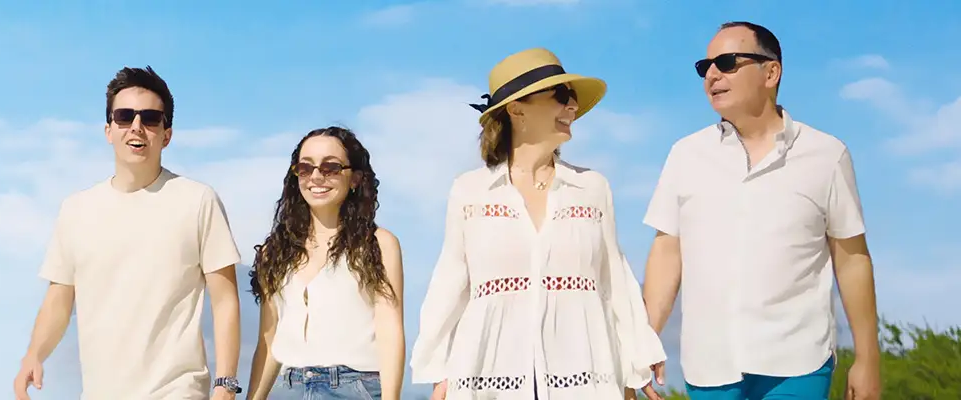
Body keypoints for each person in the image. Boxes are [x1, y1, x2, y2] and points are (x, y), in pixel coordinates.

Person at [640, 21, 882, 400]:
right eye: (705, 68)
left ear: (771, 72)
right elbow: (667, 250)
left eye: (727, 62)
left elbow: (852, 259)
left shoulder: (827, 154)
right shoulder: (685, 155)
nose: (712, 75)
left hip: (798, 365)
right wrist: (645, 339)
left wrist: (868, 358)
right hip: (709, 368)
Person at [410, 48, 667, 400]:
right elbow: (450, 283)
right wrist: (438, 371)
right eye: (561, 95)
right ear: (517, 109)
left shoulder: (593, 188)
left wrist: (638, 361)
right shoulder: (469, 192)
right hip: (488, 378)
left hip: (584, 381)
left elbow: (615, 281)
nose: (573, 106)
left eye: (573, 97)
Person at [13, 66, 246, 400]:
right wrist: (33, 355)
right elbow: (59, 299)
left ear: (166, 134)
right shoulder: (76, 209)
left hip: (176, 391)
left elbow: (225, 301)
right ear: (109, 130)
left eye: (151, 118)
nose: (137, 126)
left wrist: (225, 386)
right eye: (125, 116)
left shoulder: (197, 200)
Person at [244, 127, 407, 400]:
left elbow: (390, 332)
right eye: (305, 168)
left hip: (354, 388)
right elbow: (269, 341)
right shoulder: (276, 252)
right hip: (289, 389)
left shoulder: (378, 244)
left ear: (354, 178)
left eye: (330, 167)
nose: (316, 176)